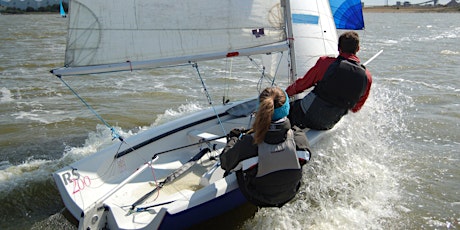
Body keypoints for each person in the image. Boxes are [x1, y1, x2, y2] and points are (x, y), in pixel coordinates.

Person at [219, 87, 311, 207]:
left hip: (258, 197)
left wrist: (233, 139)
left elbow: (225, 163)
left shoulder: (248, 143)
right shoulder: (299, 138)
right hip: (291, 193)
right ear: (286, 109)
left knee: (237, 164)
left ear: (260, 109)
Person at [286, 31, 372, 130]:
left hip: (306, 114)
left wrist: (284, 94)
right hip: (329, 123)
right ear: (358, 49)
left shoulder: (326, 63)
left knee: (280, 111)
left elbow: (302, 85)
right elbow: (356, 108)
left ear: (338, 48)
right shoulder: (367, 77)